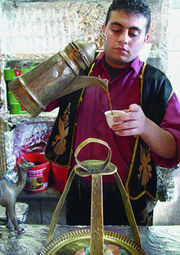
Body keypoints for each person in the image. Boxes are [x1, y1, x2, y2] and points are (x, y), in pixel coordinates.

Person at [45, 0, 180, 226]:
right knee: (81, 247)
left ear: (145, 39)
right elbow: (36, 102)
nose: (123, 39)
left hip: (130, 195)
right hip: (79, 189)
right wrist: (58, 65)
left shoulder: (156, 84)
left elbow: (173, 149)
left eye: (134, 33)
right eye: (116, 30)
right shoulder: (77, 72)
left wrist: (145, 126)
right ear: (104, 31)